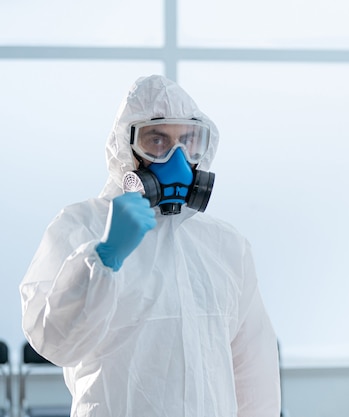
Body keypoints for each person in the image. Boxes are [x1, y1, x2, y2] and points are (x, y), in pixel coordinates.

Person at [19, 75, 281, 417]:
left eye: (188, 141)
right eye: (156, 140)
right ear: (126, 149)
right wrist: (103, 258)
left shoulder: (226, 246)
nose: (177, 157)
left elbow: (253, 372)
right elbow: (55, 343)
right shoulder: (81, 226)